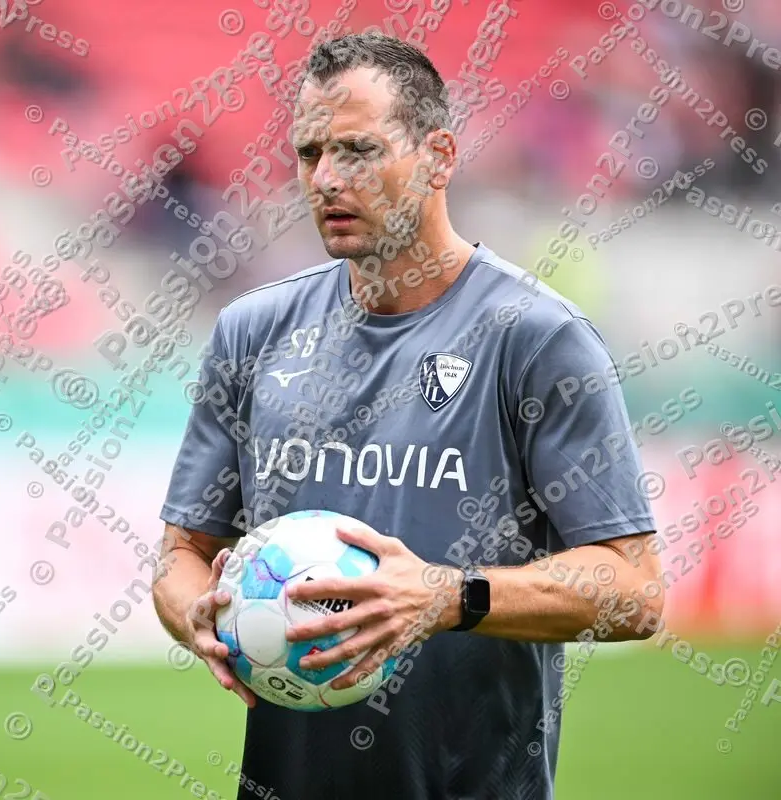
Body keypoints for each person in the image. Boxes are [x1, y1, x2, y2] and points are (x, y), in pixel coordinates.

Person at [152, 33, 663, 800]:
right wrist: (199, 615)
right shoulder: (251, 333)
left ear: (439, 156)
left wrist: (445, 597)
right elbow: (181, 553)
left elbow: (636, 590)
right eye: (309, 153)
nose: (327, 179)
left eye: (357, 151)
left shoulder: (536, 338)